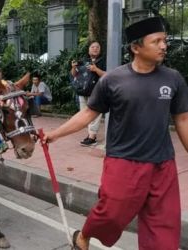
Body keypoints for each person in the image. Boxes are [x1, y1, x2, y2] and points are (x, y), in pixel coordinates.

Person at [43, 17, 188, 250]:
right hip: (123, 161)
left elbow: (183, 120)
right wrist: (55, 134)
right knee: (110, 213)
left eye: (164, 40)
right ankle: (84, 235)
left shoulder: (173, 79)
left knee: (164, 229)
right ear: (135, 48)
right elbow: (88, 113)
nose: (164, 46)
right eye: (157, 41)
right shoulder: (113, 80)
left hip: (163, 165)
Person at [70, 41, 106, 146]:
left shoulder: (103, 61)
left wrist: (96, 69)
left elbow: (107, 75)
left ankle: (92, 137)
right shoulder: (84, 61)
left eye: (97, 47)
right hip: (83, 91)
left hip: (97, 91)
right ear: (89, 49)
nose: (95, 48)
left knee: (94, 114)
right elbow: (74, 74)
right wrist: (73, 67)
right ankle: (90, 135)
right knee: (85, 114)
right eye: (93, 47)